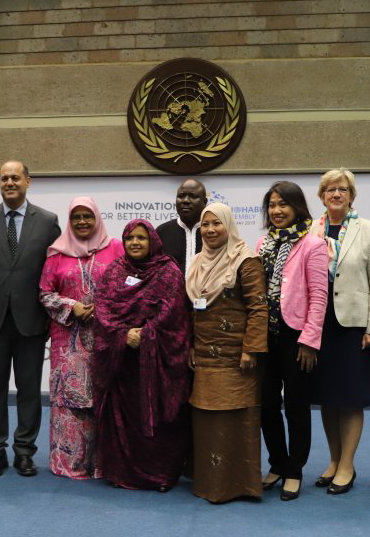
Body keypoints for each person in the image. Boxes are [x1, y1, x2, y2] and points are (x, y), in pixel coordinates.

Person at [0, 160, 61, 477]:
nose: (9, 182)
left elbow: (54, 273)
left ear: (28, 181)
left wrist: (51, 316)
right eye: (4, 178)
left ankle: (24, 451)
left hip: (32, 322)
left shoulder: (48, 221)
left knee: (29, 390)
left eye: (15, 178)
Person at [92, 220, 192, 492]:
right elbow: (102, 310)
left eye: (141, 238)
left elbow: (172, 314)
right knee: (123, 419)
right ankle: (122, 472)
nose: (135, 243)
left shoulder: (168, 272)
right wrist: (123, 335)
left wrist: (146, 335)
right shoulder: (115, 271)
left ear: (153, 241)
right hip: (121, 363)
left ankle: (160, 474)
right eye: (129, 238)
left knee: (159, 420)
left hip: (156, 363)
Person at [186, 202, 267, 504]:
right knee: (207, 420)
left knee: (236, 419)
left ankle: (240, 486)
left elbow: (258, 307)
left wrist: (251, 349)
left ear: (229, 225)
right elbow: (191, 311)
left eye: (216, 223)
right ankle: (210, 484)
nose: (210, 230)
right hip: (205, 356)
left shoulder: (246, 260)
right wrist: (191, 344)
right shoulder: (197, 262)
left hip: (237, 358)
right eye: (205, 225)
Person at [311, 168, 370, 496]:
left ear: (352, 195)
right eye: (330, 189)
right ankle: (333, 460)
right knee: (327, 397)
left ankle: (347, 465)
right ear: (322, 196)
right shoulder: (311, 229)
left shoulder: (368, 229)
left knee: (351, 398)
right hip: (319, 324)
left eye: (343, 189)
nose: (336, 194)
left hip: (353, 325)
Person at [38, 197, 122, 479]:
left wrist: (103, 307)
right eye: (77, 217)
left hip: (105, 338)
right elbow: (45, 294)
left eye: (88, 216)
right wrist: (71, 306)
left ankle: (103, 464)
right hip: (67, 341)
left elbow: (127, 286)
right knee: (68, 400)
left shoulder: (116, 248)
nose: (83, 222)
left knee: (104, 398)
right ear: (70, 221)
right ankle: (69, 462)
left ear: (97, 218)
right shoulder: (56, 253)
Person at [254, 181, 327, 501]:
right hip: (265, 336)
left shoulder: (313, 244)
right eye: (272, 205)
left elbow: (319, 296)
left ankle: (295, 470)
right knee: (266, 406)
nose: (277, 210)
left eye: (283, 204)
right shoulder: (262, 243)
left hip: (296, 337)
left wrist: (310, 340)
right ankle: (278, 463)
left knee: (296, 407)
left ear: (297, 207)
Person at [157, 179, 207, 276]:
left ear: (204, 202)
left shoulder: (214, 233)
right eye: (181, 196)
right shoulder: (162, 231)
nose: (185, 200)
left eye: (193, 196)